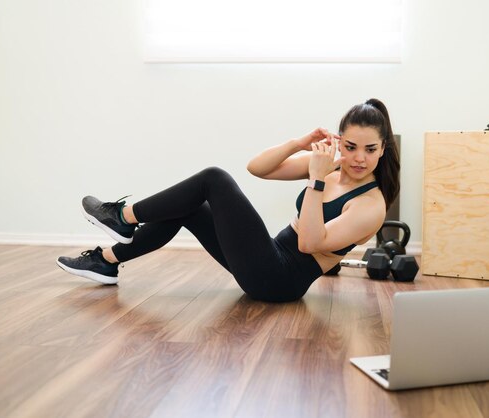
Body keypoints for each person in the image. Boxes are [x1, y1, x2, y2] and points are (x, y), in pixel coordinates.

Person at [56, 99, 400, 303]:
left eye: (370, 150)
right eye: (351, 147)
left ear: (383, 149)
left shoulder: (370, 206)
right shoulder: (333, 166)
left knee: (214, 179)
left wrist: (317, 179)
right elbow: (258, 168)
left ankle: (122, 217)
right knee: (188, 205)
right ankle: (106, 260)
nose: (358, 158)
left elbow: (311, 243)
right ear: (340, 142)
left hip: (280, 281)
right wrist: (299, 143)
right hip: (268, 257)